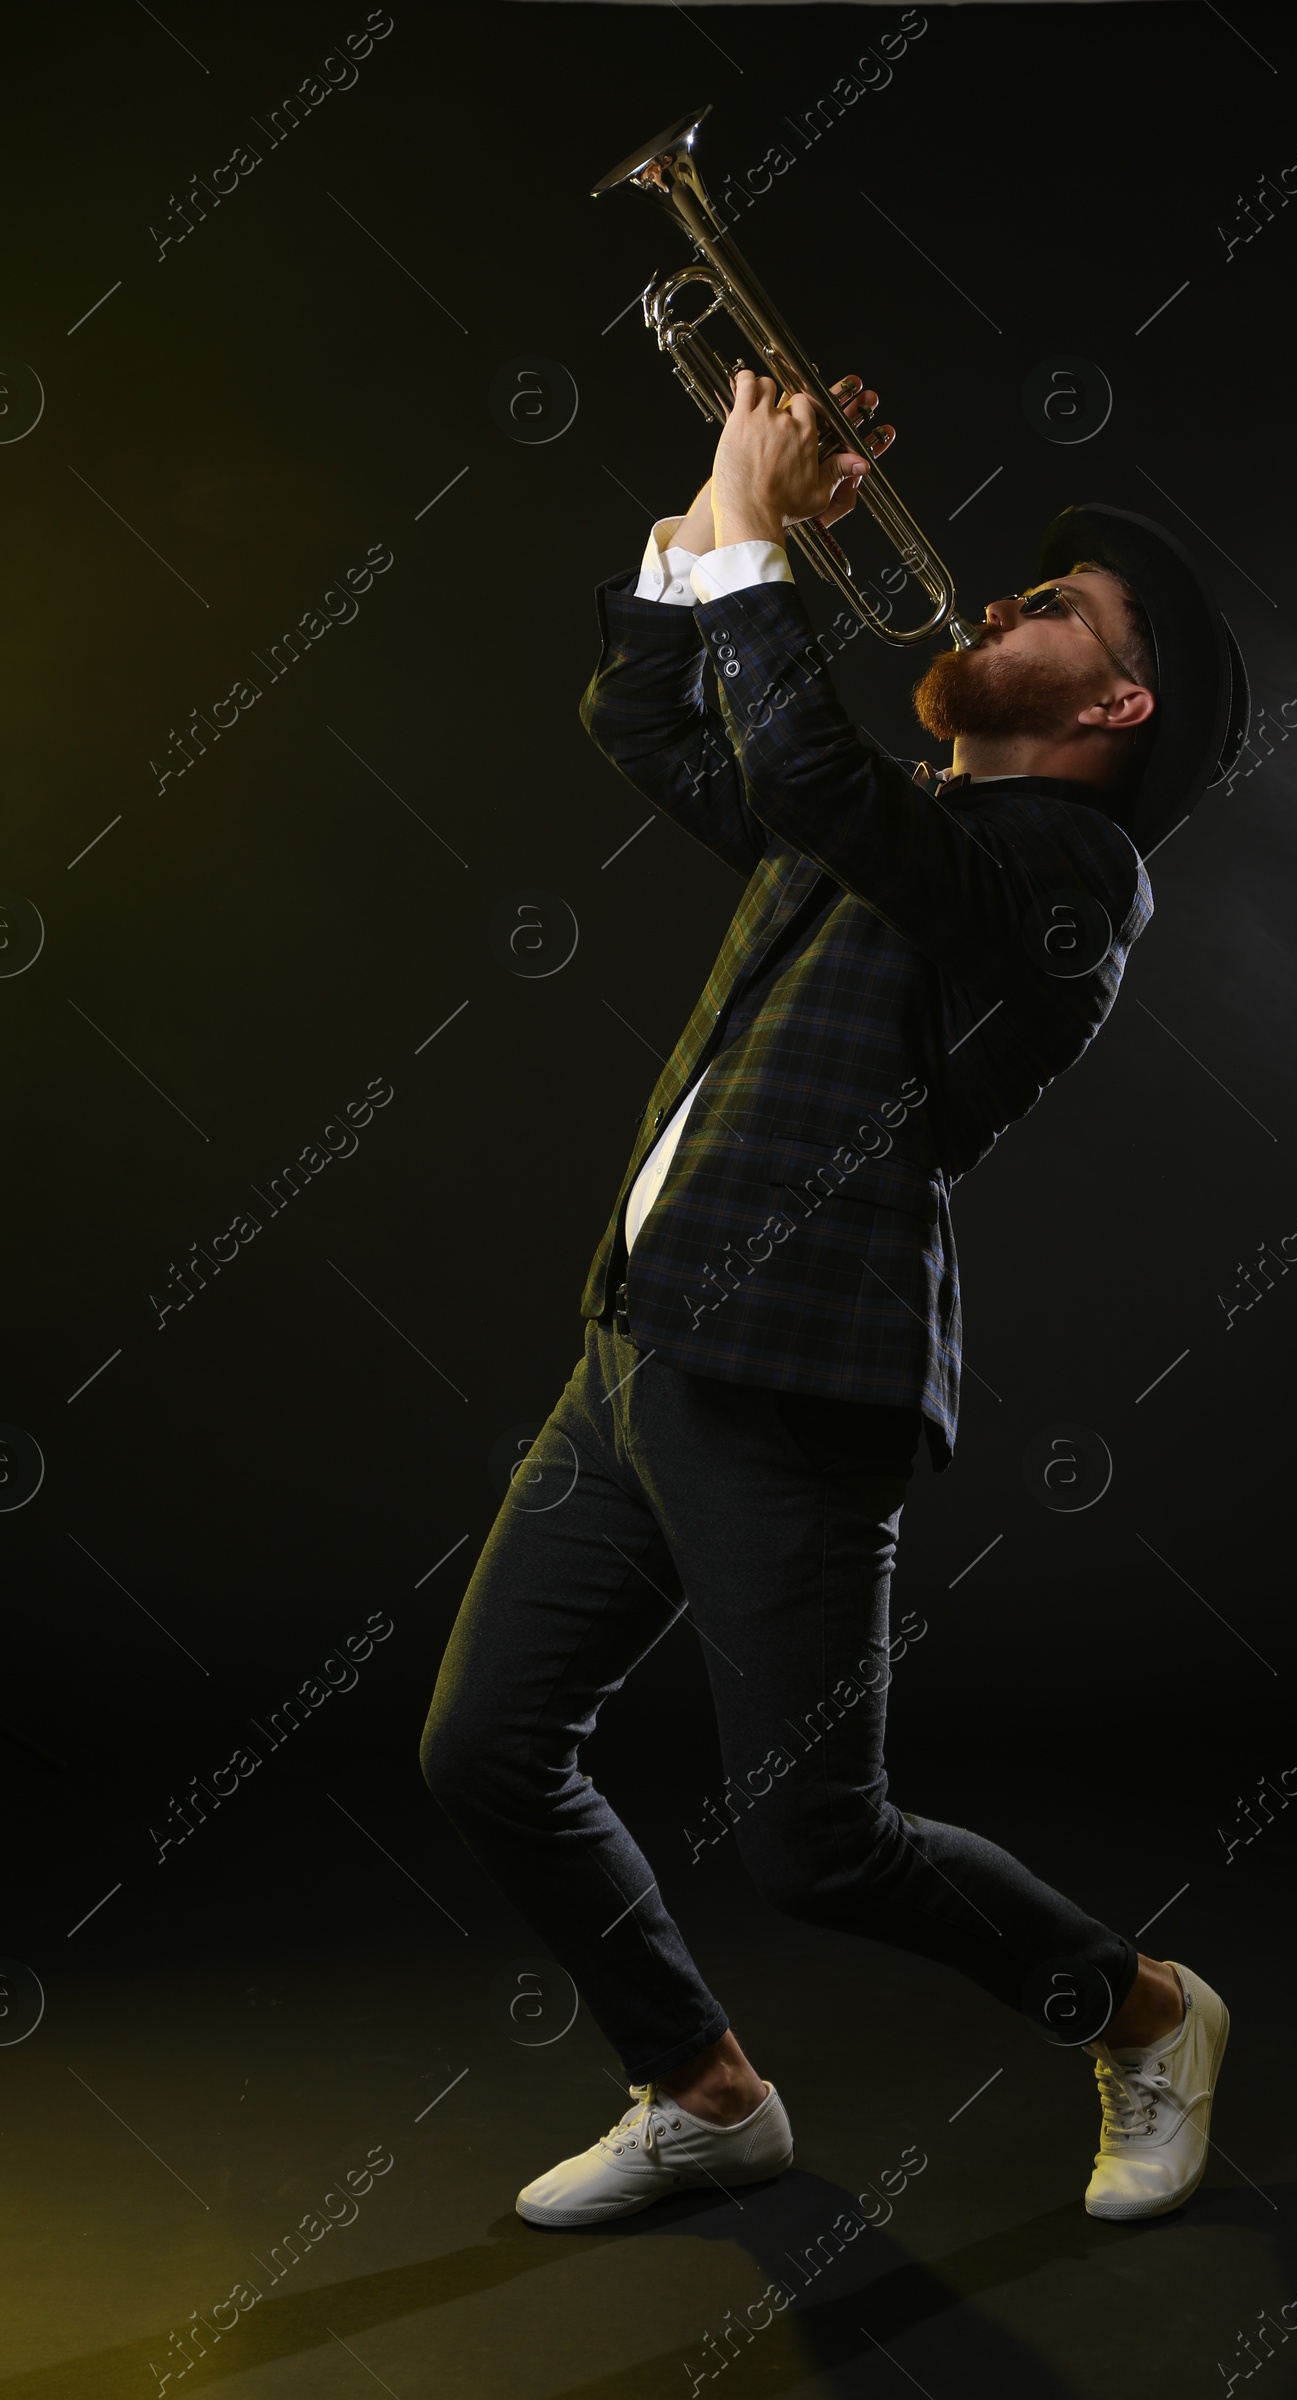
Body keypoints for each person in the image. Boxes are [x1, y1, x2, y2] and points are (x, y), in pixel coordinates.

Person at [419, 367, 1249, 2230]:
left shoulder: (1070, 883)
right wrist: (714, 521)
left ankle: (1147, 2013)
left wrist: (755, 517)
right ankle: (705, 2093)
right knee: (482, 1748)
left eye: (1057, 611)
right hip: (637, 1342)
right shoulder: (891, 831)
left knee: (816, 1846)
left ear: (1117, 703)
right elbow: (644, 716)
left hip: (802, 1370)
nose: (1000, 603)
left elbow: (799, 760)